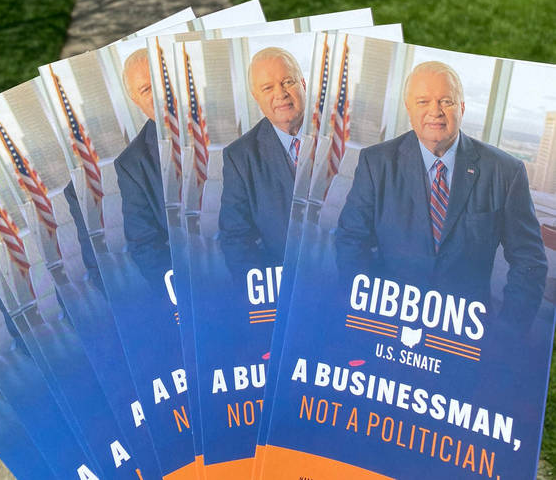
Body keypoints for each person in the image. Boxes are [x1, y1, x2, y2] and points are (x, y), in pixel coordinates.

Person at [336, 61, 547, 329]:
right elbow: (351, 240)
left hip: (467, 331)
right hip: (386, 319)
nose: (435, 111)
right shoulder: (376, 163)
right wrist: (364, 311)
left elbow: (530, 262)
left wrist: (507, 334)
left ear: (462, 107)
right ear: (409, 109)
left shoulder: (505, 172)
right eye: (423, 101)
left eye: (446, 101)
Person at [219, 46, 306, 277]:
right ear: (256, 98)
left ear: (303, 84)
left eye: (288, 82)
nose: (280, 94)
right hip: (280, 282)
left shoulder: (341, 137)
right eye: (268, 88)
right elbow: (236, 239)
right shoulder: (239, 157)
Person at [114, 48, 169, 291]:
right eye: (147, 89)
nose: (160, 94)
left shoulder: (228, 129)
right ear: (135, 100)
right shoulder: (131, 164)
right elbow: (145, 244)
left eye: (163, 81)